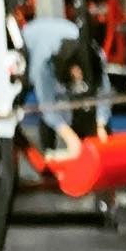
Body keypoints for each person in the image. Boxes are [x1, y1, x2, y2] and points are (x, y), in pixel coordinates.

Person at [19, 17, 110, 156]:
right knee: (49, 112)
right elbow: (47, 106)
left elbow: (104, 92)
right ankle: (48, 155)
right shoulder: (44, 65)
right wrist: (70, 137)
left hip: (62, 40)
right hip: (27, 49)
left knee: (84, 109)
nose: (79, 78)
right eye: (76, 75)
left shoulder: (96, 56)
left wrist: (101, 124)